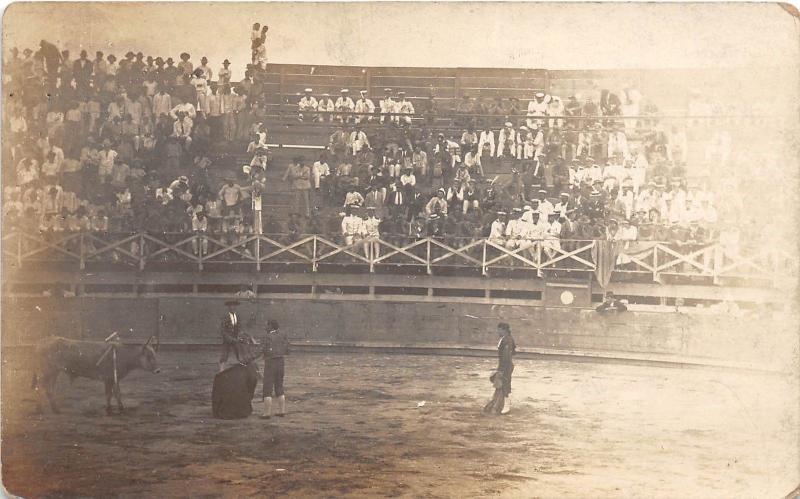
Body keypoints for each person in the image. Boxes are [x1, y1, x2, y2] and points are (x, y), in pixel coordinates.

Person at [261, 319, 289, 419]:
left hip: (270, 363)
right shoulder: (283, 335)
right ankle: (282, 411)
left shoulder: (266, 337)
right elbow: (287, 350)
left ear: (271, 326)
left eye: (266, 325)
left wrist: (247, 359)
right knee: (279, 386)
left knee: (267, 387)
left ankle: (266, 413)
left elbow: (260, 350)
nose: (265, 327)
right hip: (281, 362)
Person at [219, 300, 244, 372]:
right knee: (224, 355)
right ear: (228, 307)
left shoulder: (237, 316)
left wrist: (239, 336)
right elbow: (223, 330)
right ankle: (221, 371)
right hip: (228, 339)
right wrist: (230, 339)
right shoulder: (225, 316)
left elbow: (239, 328)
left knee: (239, 354)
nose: (233, 307)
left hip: (236, 339)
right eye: (231, 306)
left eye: (234, 306)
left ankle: (242, 369)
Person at [496, 322, 515, 414]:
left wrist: (501, 369)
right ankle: (504, 403)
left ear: (503, 330)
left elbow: (507, 356)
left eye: (499, 330)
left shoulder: (507, 340)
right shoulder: (507, 338)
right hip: (506, 364)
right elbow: (513, 351)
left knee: (505, 385)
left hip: (506, 366)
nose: (498, 332)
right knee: (504, 384)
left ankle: (507, 406)